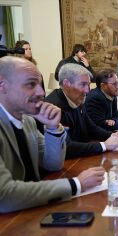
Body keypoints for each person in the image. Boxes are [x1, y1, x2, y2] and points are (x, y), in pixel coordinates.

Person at [0, 56, 105, 213]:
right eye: (31, 84)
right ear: (2, 85)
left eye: (40, 84)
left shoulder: (27, 121)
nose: (41, 92)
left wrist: (53, 128)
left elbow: (53, 164)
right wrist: (75, 184)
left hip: (30, 211)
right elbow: (4, 196)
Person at [46, 63, 118, 159]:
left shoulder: (77, 99)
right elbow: (66, 147)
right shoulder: (53, 107)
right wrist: (103, 145)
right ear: (67, 84)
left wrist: (112, 135)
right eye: (83, 85)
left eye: (88, 85)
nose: (87, 90)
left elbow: (91, 127)